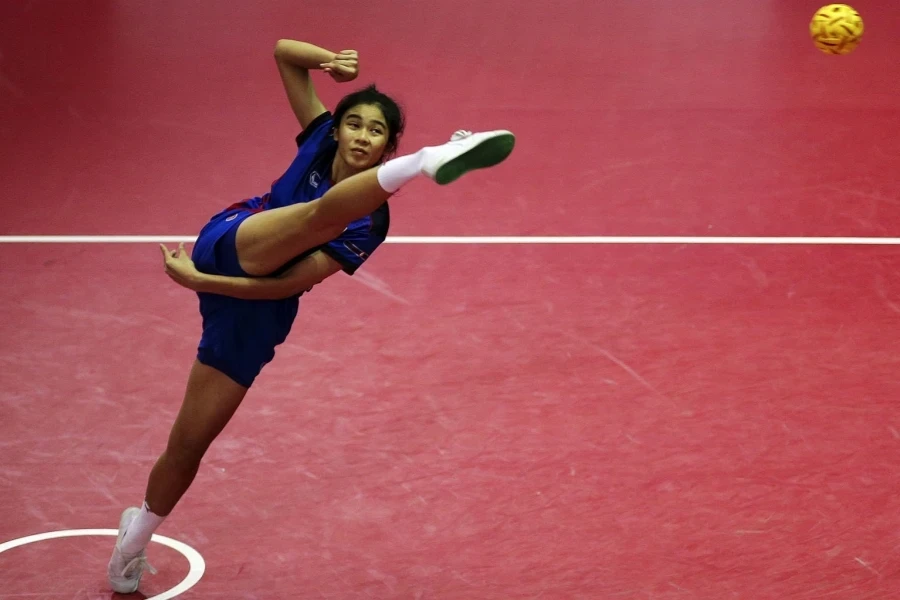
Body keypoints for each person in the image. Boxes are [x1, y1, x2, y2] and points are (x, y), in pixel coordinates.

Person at [106, 38, 515, 594]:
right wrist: (332, 61)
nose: (362, 136)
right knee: (318, 215)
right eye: (356, 124)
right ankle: (430, 160)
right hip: (235, 239)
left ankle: (134, 540)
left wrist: (201, 287)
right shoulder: (320, 136)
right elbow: (282, 53)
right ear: (339, 127)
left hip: (258, 307)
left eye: (377, 131)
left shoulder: (370, 223)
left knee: (189, 444)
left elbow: (291, 284)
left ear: (385, 145)